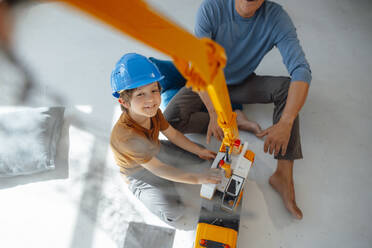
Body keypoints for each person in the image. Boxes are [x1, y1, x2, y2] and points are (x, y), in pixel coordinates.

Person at [164, 0, 311, 219]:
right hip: (210, 83)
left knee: (286, 89)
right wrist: (214, 112)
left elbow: (301, 70)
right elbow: (199, 65)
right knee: (170, 120)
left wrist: (286, 122)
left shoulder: (277, 18)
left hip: (242, 83)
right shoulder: (211, 8)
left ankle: (283, 175)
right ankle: (234, 119)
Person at [109, 53, 222, 223]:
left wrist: (199, 150)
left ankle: (179, 173)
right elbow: (159, 169)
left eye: (154, 90)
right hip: (139, 174)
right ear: (124, 102)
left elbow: (174, 134)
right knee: (175, 214)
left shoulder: (153, 113)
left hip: (157, 149)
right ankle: (140, 191)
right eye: (140, 94)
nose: (151, 99)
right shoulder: (126, 137)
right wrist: (197, 179)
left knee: (203, 162)